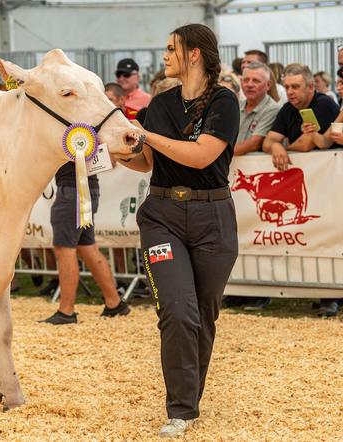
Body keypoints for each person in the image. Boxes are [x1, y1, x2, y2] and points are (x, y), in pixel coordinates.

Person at [120, 23, 239, 437]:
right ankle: (181, 411)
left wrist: (146, 132)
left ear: (194, 54)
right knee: (177, 310)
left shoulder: (224, 100)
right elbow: (147, 161)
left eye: (172, 48)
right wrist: (117, 150)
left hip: (214, 219)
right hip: (162, 216)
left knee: (203, 316)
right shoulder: (160, 103)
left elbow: (203, 156)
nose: (165, 54)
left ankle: (190, 401)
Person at [262, 63, 341, 317]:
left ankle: (332, 296)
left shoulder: (324, 105)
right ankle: (324, 292)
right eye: (286, 87)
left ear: (311, 86)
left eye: (295, 86)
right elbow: (269, 140)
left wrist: (285, 144)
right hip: (312, 184)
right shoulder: (288, 109)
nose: (290, 92)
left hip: (327, 182)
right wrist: (277, 147)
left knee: (331, 236)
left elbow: (309, 145)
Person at [221, 62, 280, 310]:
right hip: (236, 179)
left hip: (258, 181)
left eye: (256, 81)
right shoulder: (237, 105)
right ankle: (239, 287)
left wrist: (215, 152)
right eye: (246, 80)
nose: (250, 85)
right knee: (236, 231)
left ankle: (261, 290)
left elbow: (255, 143)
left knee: (260, 231)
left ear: (268, 84)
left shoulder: (272, 109)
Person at [40, 162, 131, 325]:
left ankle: (66, 311)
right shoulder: (91, 134)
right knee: (87, 247)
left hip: (73, 190)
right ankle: (114, 302)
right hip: (85, 188)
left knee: (64, 249)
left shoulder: (66, 134)